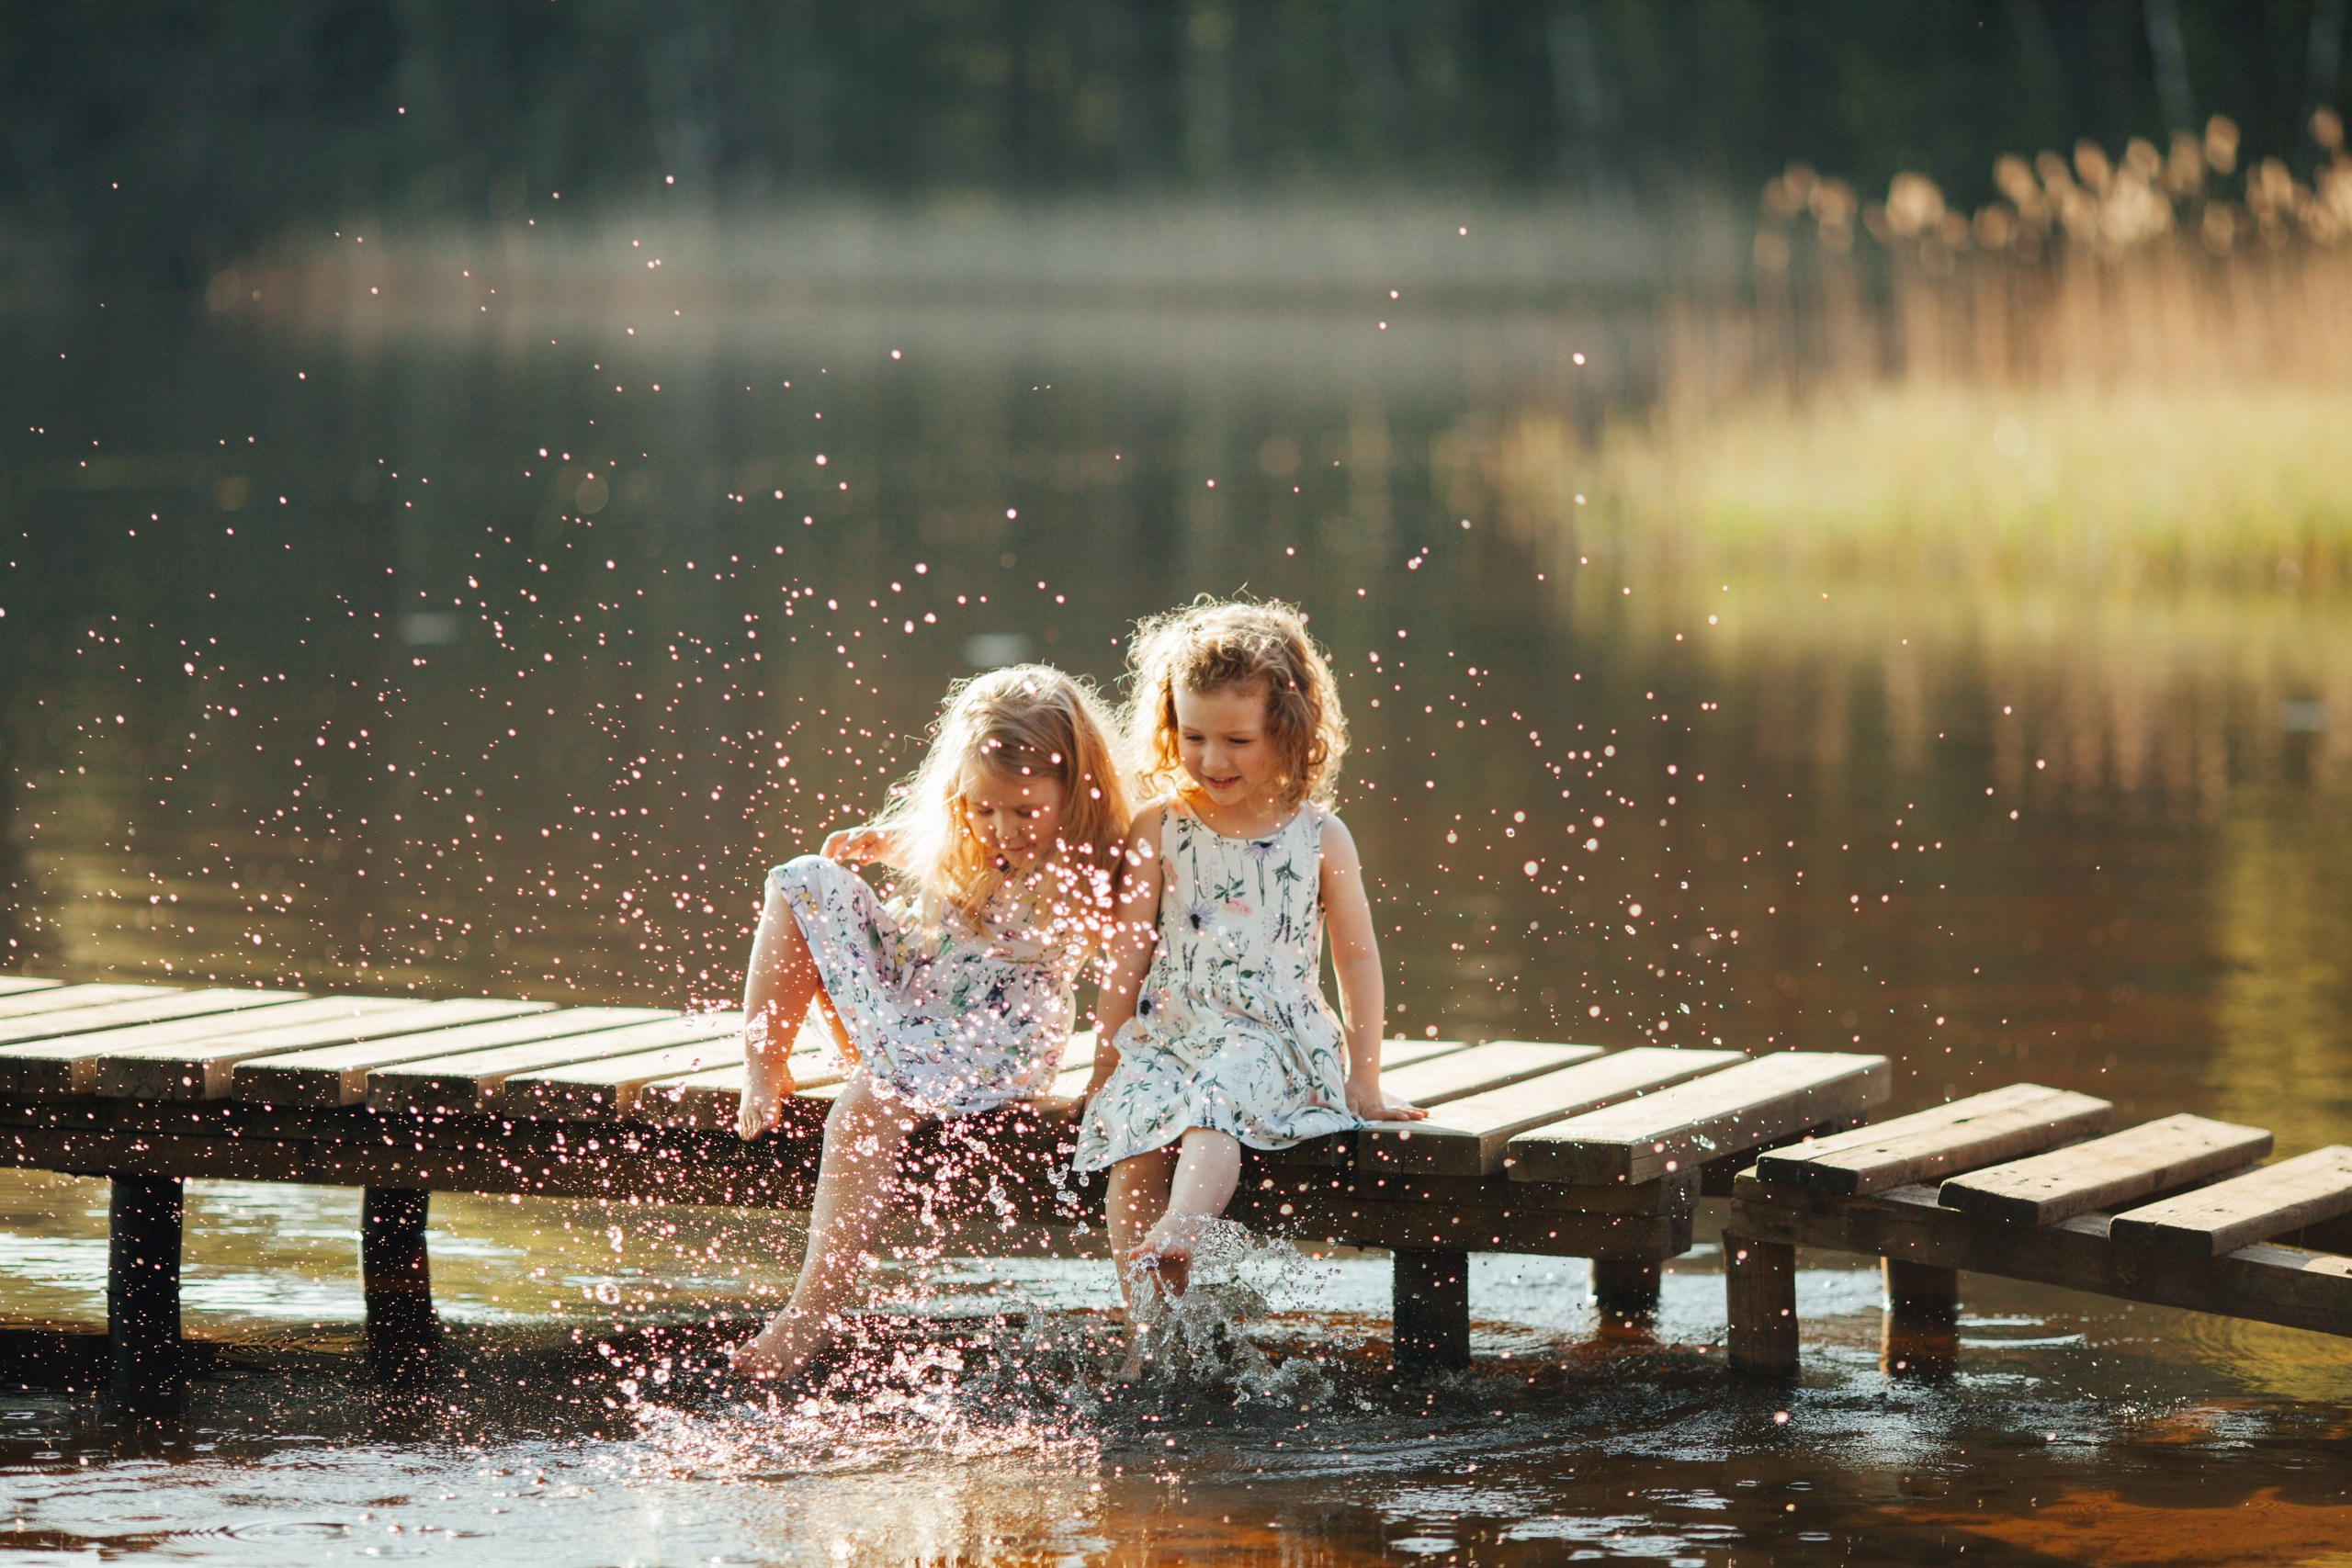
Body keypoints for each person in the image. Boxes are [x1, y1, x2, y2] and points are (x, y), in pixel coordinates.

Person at [731, 665, 1130, 1380]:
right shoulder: (961, 833)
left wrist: (1109, 1073)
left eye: (1025, 812)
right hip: (923, 999)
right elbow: (931, 841)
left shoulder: (1086, 859)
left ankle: (811, 1312)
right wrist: (886, 841)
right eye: (984, 810)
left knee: (863, 1108)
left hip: (999, 1038)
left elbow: (1133, 965)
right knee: (801, 879)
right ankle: (766, 1057)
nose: (1003, 830)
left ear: (1072, 796)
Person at [1077, 599, 1425, 1303]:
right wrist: (1106, 1063)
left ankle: (1183, 1226)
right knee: (1131, 1141)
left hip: (1273, 1038)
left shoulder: (1320, 835)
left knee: (1218, 1099)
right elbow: (1127, 952)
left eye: (1238, 739)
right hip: (1174, 1033)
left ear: (1288, 731)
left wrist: (1365, 1077)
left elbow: (1355, 960)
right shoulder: (1160, 826)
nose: (1212, 759)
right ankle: (1146, 1324)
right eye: (1194, 734)